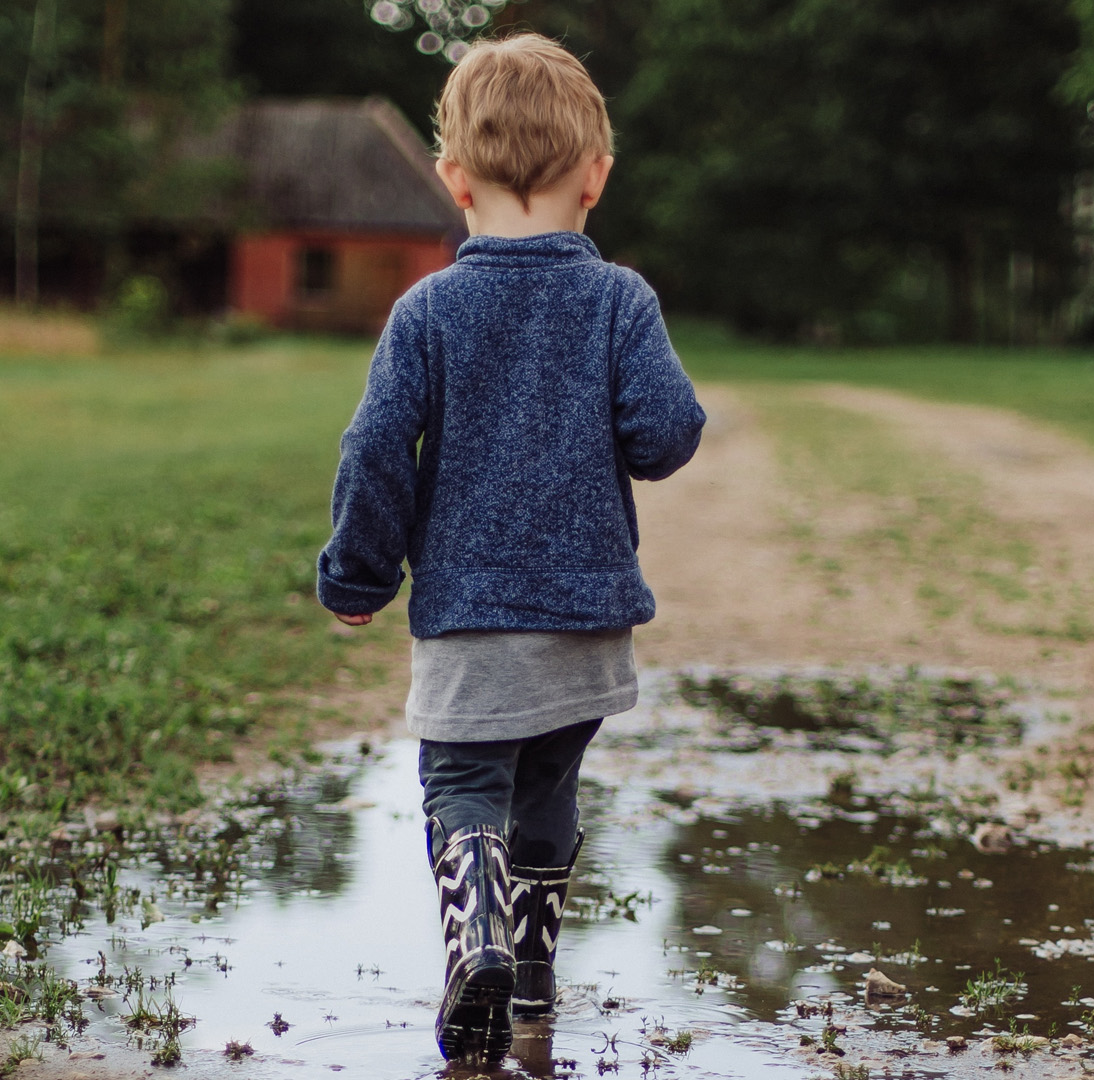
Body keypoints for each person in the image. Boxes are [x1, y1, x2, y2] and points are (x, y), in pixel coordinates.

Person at [315, 33, 705, 1066]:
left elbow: (374, 450)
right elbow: (666, 435)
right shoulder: (621, 300)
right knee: (547, 787)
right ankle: (530, 978)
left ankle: (477, 938)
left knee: (463, 784)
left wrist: (358, 571)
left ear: (451, 180)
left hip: (472, 620)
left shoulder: (428, 311)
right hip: (586, 627)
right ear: (596, 178)